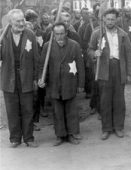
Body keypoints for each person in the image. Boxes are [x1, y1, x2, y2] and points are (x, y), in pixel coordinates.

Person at [88, 8, 131, 140]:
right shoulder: (97, 34)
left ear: (117, 20)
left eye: (113, 19)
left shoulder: (123, 35)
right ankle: (106, 128)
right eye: (107, 19)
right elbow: (90, 49)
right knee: (105, 100)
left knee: (119, 100)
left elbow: (129, 54)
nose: (110, 21)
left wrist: (130, 73)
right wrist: (94, 54)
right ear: (103, 19)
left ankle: (118, 127)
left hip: (119, 69)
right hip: (104, 69)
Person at [38, 22, 85, 146]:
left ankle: (72, 134)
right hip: (54, 84)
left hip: (70, 83)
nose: (59, 36)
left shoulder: (74, 45)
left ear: (66, 33)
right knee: (57, 111)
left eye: (62, 33)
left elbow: (80, 66)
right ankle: (60, 135)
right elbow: (43, 66)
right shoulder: (47, 47)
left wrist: (81, 84)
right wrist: (41, 79)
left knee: (71, 111)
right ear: (53, 34)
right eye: (57, 34)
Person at [0, 9, 39, 148]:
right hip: (8, 79)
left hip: (26, 78)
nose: (22, 23)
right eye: (18, 21)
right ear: (10, 22)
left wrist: (36, 78)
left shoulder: (30, 35)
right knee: (12, 110)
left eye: (23, 20)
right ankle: (15, 138)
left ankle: (29, 138)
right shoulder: (2, 35)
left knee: (28, 109)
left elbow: (36, 59)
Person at [117, 6, 131, 85]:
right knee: (123, 61)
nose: (128, 13)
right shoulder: (119, 21)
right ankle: (123, 77)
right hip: (122, 45)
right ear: (123, 12)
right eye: (127, 11)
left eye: (129, 11)